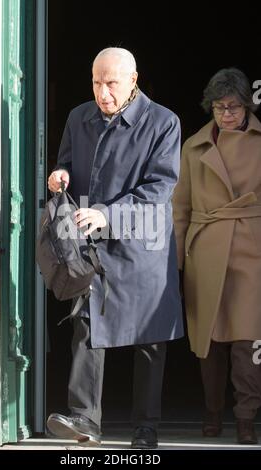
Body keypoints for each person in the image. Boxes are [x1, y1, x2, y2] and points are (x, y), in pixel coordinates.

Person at [46, 47, 183, 449]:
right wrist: (60, 176)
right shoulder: (78, 117)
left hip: (144, 242)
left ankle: (146, 428)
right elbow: (68, 163)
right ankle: (84, 418)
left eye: (111, 83)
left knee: (148, 337)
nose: (102, 92)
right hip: (92, 243)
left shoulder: (164, 123)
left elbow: (159, 188)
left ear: (133, 80)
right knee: (87, 325)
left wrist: (109, 214)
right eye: (96, 82)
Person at [173, 68, 261, 445]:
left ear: (247, 106)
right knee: (208, 341)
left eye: (234, 107)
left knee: (247, 340)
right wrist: (173, 263)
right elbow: (180, 208)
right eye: (219, 107)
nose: (226, 114)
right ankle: (211, 411)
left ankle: (245, 417)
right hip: (205, 249)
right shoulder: (193, 147)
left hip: (252, 247)